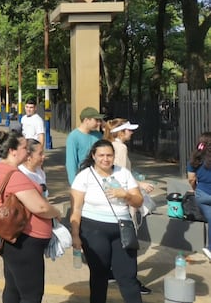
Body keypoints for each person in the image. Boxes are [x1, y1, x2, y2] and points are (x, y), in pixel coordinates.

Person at [70, 139, 144, 303]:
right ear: (93, 156)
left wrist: (126, 195)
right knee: (99, 275)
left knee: (128, 276)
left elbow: (138, 201)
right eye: (101, 155)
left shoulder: (123, 173)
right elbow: (76, 209)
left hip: (123, 229)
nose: (105, 159)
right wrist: (75, 235)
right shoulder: (84, 176)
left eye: (109, 155)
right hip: (93, 228)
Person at [0, 131, 61, 303]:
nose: (28, 152)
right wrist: (57, 213)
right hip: (23, 242)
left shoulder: (3, 168)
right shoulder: (15, 176)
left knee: (14, 288)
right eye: (24, 148)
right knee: (31, 294)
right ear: (13, 151)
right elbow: (40, 207)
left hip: (15, 240)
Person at [102, 119, 153, 295]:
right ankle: (131, 280)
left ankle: (110, 273)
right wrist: (140, 184)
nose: (131, 133)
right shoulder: (120, 148)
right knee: (129, 242)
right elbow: (122, 174)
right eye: (128, 130)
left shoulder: (107, 146)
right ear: (120, 132)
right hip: (125, 200)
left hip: (111, 202)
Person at [187, 132, 211, 261]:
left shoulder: (194, 159)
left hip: (202, 194)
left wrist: (195, 189)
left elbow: (191, 179)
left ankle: (210, 249)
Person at [65, 107, 104, 185]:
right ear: (86, 120)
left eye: (99, 121)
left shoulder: (98, 135)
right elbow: (71, 162)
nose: (99, 123)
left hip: (98, 176)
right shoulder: (73, 137)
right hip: (83, 178)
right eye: (96, 120)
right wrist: (74, 183)